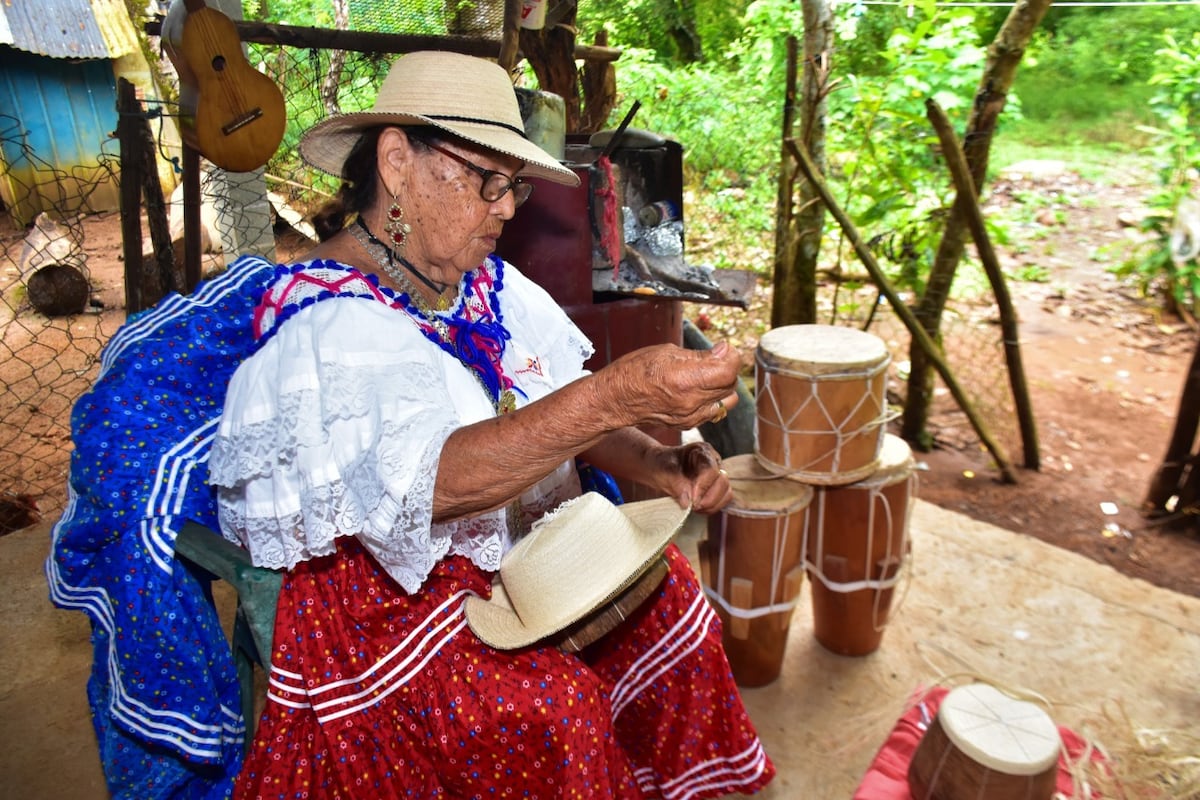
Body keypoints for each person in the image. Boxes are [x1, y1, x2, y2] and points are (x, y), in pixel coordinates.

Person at [51, 49, 774, 799]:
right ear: (397, 162)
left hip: (523, 556)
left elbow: (557, 401)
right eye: (487, 181)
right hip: (388, 597)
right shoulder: (325, 323)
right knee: (551, 711)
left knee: (677, 610)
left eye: (514, 186)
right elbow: (430, 485)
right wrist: (618, 397)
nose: (507, 208)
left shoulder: (487, 282)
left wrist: (656, 465)